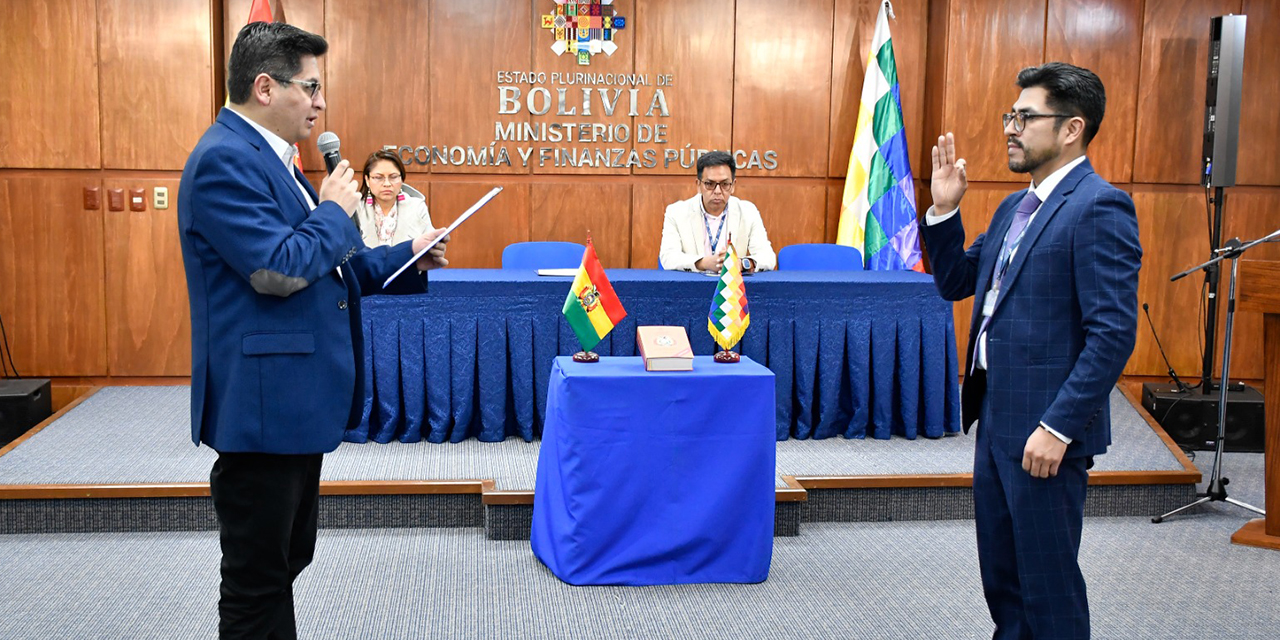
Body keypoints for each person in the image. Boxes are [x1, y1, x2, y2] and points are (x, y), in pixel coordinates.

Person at [176, 22, 448, 639]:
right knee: (257, 580)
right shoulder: (224, 159)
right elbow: (277, 270)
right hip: (262, 407)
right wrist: (332, 209)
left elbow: (332, 266)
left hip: (294, 402)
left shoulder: (279, 164)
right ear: (266, 87)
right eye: (312, 86)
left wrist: (407, 254)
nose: (322, 103)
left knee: (284, 563)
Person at [919, 62, 1141, 639]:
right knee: (1005, 581)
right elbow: (956, 282)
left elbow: (1112, 334)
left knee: (1048, 587)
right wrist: (944, 211)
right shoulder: (1013, 209)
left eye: (1025, 116)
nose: (1010, 128)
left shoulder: (1099, 206)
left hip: (1047, 431)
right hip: (997, 420)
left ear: (1071, 128)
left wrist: (1060, 428)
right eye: (1009, 115)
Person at [658, 150, 776, 272]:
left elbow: (768, 257)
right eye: (710, 184)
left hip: (733, 288)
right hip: (692, 286)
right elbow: (668, 258)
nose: (718, 191)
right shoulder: (676, 213)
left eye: (725, 184)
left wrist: (741, 264)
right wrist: (704, 263)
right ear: (698, 185)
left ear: (733, 185)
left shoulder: (748, 211)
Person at [351, 149, 433, 247]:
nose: (387, 184)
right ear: (367, 180)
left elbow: (430, 247)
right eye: (378, 177)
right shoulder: (354, 209)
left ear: (402, 179)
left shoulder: (417, 207)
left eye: (393, 177)